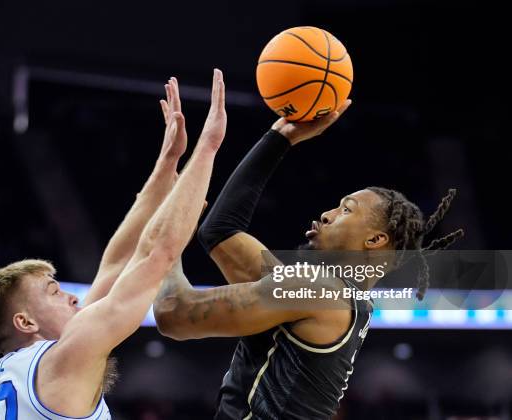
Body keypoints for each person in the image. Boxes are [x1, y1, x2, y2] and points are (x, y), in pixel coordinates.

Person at [153, 102, 464, 419]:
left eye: (346, 210)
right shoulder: (325, 294)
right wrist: (280, 136)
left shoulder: (317, 290)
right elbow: (220, 233)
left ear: (374, 240)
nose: (327, 215)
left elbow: (173, 313)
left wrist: (167, 238)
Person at [0, 70, 227, 420]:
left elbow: (116, 264)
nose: (72, 296)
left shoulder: (22, 367)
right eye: (53, 291)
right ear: (25, 322)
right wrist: (208, 146)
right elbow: (156, 255)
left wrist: (166, 165)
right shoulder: (63, 358)